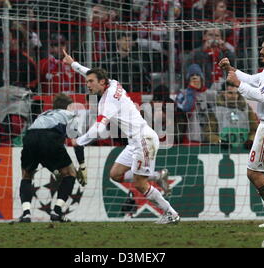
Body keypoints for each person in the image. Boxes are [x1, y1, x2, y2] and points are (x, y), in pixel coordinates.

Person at [63, 50, 178, 224]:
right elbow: (90, 73)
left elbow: (99, 130)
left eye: (91, 82)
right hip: (135, 141)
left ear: (102, 82)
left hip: (143, 140)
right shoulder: (113, 83)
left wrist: (79, 141)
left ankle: (171, 213)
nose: (88, 85)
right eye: (87, 82)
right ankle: (156, 176)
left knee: (140, 184)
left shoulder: (108, 102)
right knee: (115, 174)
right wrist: (73, 64)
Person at [219, 32, 264, 227]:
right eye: (261, 47)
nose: (261, 50)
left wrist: (238, 84)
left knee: (254, 173)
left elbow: (260, 95)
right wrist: (232, 70)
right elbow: (254, 80)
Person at [19, 93, 87, 223]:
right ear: (69, 106)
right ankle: (57, 211)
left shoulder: (44, 114)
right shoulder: (70, 115)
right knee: (70, 174)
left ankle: (26, 214)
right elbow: (75, 143)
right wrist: (82, 165)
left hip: (30, 137)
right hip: (50, 137)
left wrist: (53, 168)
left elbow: (39, 137)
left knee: (27, 175)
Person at [212, 83, 258, 149]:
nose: (234, 95)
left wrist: (251, 140)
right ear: (223, 93)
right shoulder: (215, 110)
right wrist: (220, 141)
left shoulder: (247, 109)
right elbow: (208, 133)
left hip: (244, 150)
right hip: (222, 150)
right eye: (230, 93)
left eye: (236, 93)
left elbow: (254, 130)